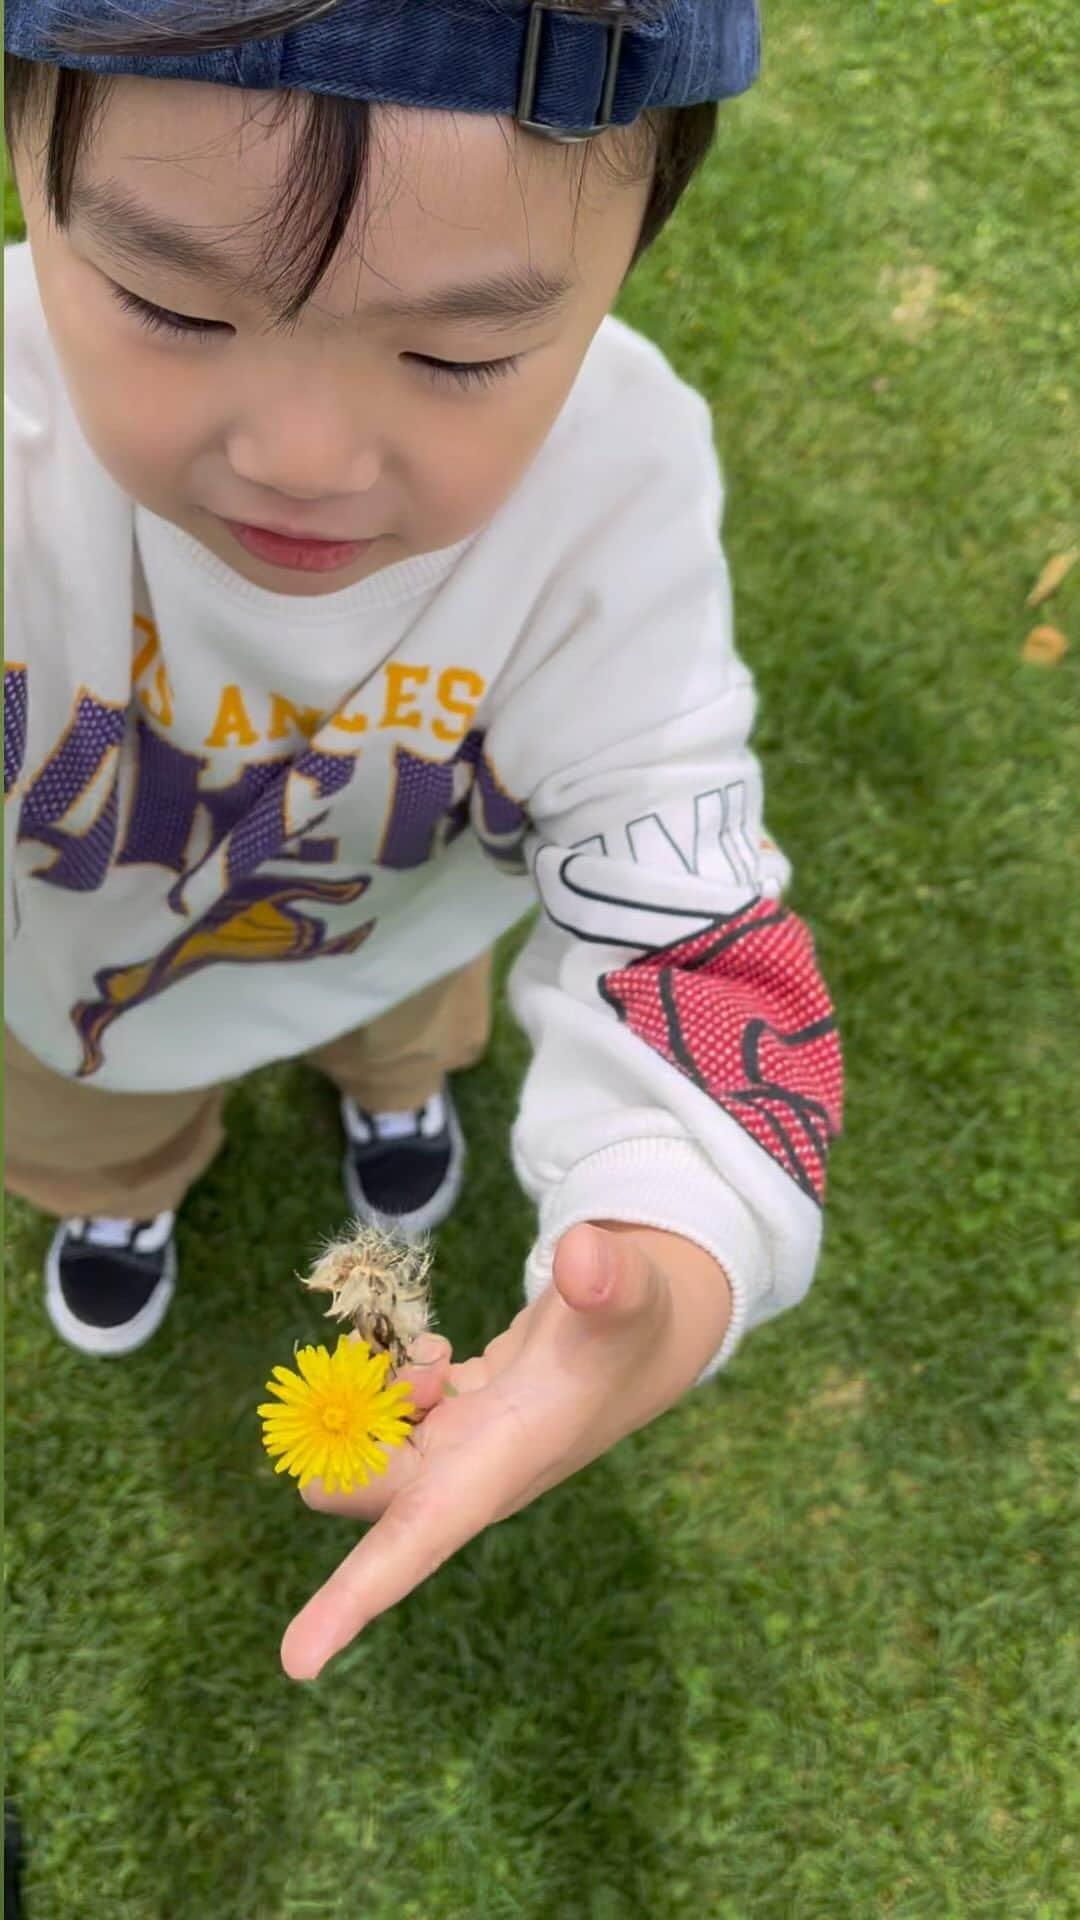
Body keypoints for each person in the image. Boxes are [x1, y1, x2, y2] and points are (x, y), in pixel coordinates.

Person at [3, 0, 843, 1678]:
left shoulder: (616, 479)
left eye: (459, 353)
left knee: (408, 1043)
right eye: (172, 303)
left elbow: (687, 905)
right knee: (95, 1123)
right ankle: (128, 1199)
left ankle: (391, 1103)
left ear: (631, 253)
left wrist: (675, 1241)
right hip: (79, 980)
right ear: (25, 152)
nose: (300, 457)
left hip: (394, 930)